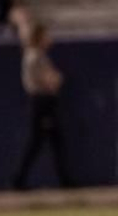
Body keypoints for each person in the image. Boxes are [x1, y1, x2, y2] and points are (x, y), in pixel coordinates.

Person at [12, 20, 73, 190]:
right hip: (41, 103)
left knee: (52, 143)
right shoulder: (34, 56)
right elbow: (50, 81)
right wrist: (55, 79)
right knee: (36, 143)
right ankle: (18, 179)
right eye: (46, 35)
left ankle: (65, 180)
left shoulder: (39, 55)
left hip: (45, 102)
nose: (49, 38)